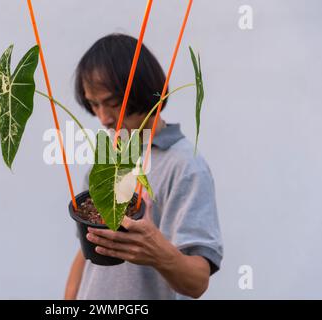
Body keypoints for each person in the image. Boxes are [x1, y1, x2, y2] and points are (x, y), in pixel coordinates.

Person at [65, 33, 223, 300]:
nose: (103, 118)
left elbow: (198, 282)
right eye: (94, 105)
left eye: (113, 103)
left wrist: (156, 251)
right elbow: (86, 251)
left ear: (142, 91)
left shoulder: (185, 165)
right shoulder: (109, 156)